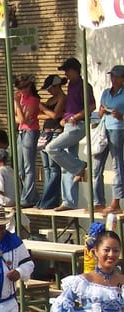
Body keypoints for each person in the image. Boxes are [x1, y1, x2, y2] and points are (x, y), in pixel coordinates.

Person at [46, 57, 96, 211]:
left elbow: (91, 105)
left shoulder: (84, 85)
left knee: (52, 148)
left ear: (75, 70)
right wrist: (65, 119)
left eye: (67, 71)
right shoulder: (71, 86)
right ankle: (69, 201)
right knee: (66, 163)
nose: (65, 74)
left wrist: (75, 117)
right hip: (68, 124)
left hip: (77, 125)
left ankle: (79, 167)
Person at [93, 65, 124, 214]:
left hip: (118, 129)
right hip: (104, 129)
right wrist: (101, 111)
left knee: (117, 164)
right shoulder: (106, 92)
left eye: (117, 76)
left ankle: (116, 201)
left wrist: (121, 116)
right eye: (112, 76)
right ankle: (98, 201)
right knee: (97, 165)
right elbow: (99, 114)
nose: (113, 79)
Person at [38, 75, 67, 210]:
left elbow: (56, 115)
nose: (49, 92)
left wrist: (43, 109)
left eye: (50, 88)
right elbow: (38, 115)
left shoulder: (63, 98)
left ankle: (50, 200)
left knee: (54, 168)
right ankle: (46, 199)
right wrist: (47, 112)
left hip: (56, 132)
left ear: (56, 86)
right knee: (47, 168)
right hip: (45, 133)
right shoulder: (50, 100)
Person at [14, 74, 42, 207]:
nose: (23, 90)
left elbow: (21, 119)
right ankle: (34, 196)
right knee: (20, 169)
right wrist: (21, 116)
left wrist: (16, 104)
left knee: (28, 166)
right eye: (20, 88)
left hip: (31, 131)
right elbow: (17, 119)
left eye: (25, 87)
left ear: (30, 86)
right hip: (21, 131)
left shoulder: (33, 99)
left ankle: (26, 198)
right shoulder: (21, 98)